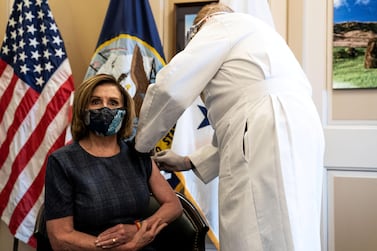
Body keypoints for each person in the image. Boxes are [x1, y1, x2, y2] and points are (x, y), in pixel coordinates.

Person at [134, 3, 325, 251]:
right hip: (299, 128)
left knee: (254, 228)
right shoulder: (262, 36)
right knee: (297, 223)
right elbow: (239, 118)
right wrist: (187, 161)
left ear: (201, 25)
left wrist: (140, 144)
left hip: (266, 128)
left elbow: (170, 88)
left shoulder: (219, 25)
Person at [44, 74, 182, 251]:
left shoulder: (137, 154)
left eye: (113, 103)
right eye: (95, 102)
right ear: (82, 109)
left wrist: (139, 228)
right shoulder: (62, 161)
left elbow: (173, 205)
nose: (105, 108)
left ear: (124, 113)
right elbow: (60, 238)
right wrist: (121, 249)